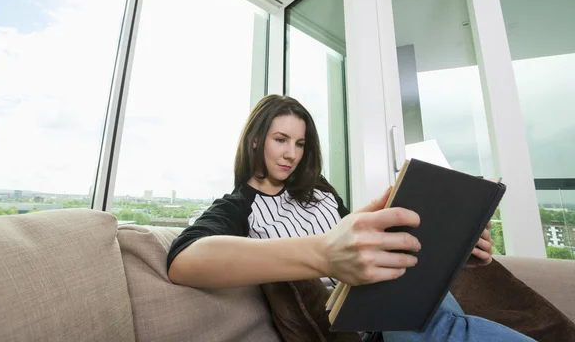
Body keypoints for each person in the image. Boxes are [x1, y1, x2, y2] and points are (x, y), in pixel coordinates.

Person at [167, 94, 533, 342]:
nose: (291, 154)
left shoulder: (321, 192)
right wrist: (324, 253)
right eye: (281, 139)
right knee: (430, 324)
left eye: (300, 144)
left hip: (392, 286)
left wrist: (454, 247)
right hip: (360, 322)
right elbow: (184, 260)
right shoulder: (237, 207)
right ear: (254, 141)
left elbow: (370, 237)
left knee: (431, 315)